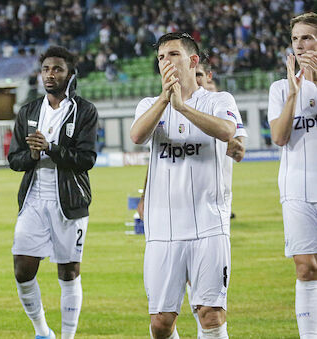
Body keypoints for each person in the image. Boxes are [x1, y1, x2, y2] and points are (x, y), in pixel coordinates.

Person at [130, 32, 241, 339]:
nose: (166, 61)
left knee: (211, 313)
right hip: (163, 230)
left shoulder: (219, 100)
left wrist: (182, 107)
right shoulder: (150, 104)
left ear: (193, 61)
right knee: (161, 323)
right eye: (161, 57)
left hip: (209, 225)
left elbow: (227, 130)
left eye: (173, 55)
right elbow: (137, 136)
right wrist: (166, 100)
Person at [8, 46, 98, 339]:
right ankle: (42, 331)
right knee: (22, 269)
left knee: (68, 272)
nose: (50, 74)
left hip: (69, 201)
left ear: (70, 74)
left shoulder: (84, 110)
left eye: (57, 69)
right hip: (34, 200)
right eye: (46, 69)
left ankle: (68, 336)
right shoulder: (29, 111)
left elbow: (87, 159)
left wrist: (51, 149)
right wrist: (33, 156)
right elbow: (14, 160)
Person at [268, 12, 317, 338]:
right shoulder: (279, 88)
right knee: (306, 267)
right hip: (297, 187)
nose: (300, 45)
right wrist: (294, 94)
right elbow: (280, 137)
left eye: (308, 37)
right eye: (296, 38)